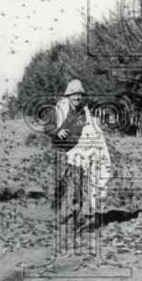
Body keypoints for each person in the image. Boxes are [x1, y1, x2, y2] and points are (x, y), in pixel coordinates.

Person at [46, 79, 88, 225]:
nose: (77, 98)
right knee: (62, 182)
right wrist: (57, 131)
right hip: (60, 149)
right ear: (68, 95)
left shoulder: (84, 112)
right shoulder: (58, 110)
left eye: (80, 95)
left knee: (78, 182)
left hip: (77, 151)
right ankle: (57, 210)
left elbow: (87, 130)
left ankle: (76, 212)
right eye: (75, 95)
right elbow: (47, 127)